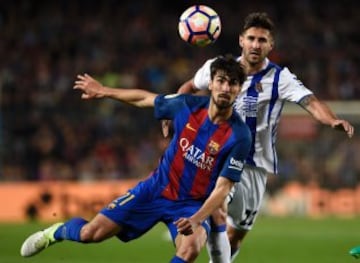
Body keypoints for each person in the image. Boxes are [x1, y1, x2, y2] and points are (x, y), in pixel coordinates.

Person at [20, 56, 252, 263]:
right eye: (221, 80)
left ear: (239, 89)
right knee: (90, 234)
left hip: (191, 205)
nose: (225, 87)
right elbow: (145, 99)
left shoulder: (240, 136)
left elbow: (223, 188)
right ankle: (55, 233)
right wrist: (104, 91)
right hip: (155, 189)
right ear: (210, 83)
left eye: (232, 83)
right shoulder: (186, 105)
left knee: (189, 249)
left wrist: (196, 218)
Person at [167, 12, 355, 263]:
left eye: (262, 40)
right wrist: (172, 115)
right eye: (252, 38)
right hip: (216, 157)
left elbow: (310, 102)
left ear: (270, 45)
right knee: (214, 211)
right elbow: (188, 88)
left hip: (253, 167)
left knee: (236, 235)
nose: (256, 45)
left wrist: (331, 120)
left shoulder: (280, 78)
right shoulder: (218, 68)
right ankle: (190, 245)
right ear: (241, 41)